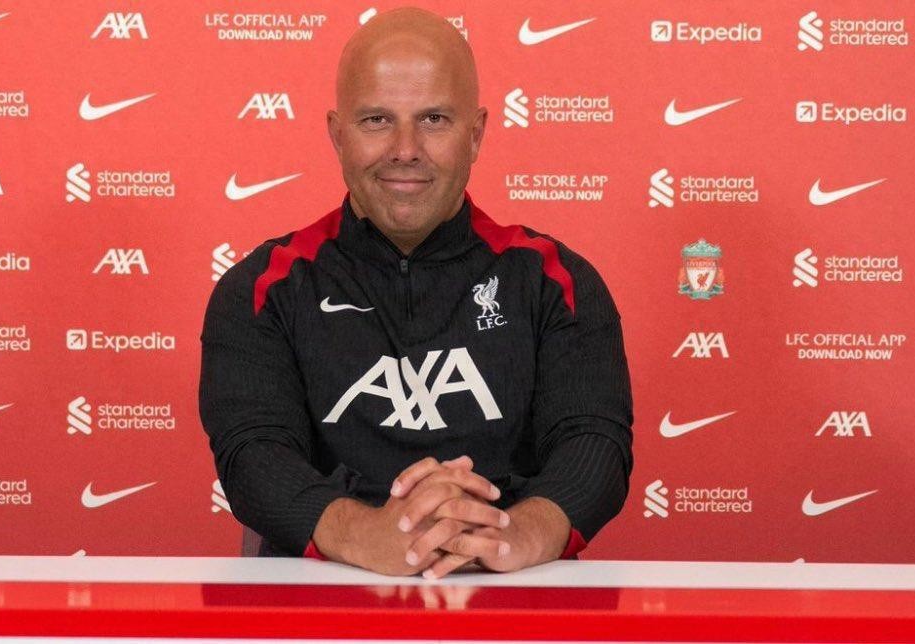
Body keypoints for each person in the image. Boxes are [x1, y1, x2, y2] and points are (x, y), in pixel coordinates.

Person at [199, 7, 633, 580]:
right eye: (377, 120)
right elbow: (253, 453)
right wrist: (366, 535)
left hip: (512, 588)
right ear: (337, 135)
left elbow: (594, 443)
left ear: (475, 135)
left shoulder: (554, 280)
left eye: (434, 119)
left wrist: (516, 533)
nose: (405, 148)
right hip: (321, 593)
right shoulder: (263, 288)